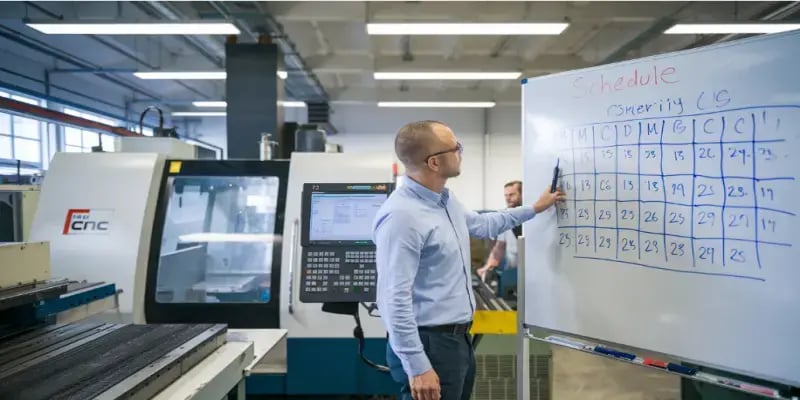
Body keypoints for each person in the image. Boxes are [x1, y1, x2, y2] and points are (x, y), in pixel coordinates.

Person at [372, 120, 564, 400]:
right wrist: (417, 365)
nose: (461, 152)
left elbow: (485, 224)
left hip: (455, 340)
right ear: (434, 162)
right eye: (456, 147)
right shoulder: (403, 217)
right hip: (429, 344)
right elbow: (393, 299)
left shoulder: (443, 201)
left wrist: (535, 208)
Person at [477, 180, 523, 281]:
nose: (508, 198)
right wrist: (488, 266)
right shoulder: (505, 218)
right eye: (505, 195)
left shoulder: (532, 218)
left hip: (532, 272)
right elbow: (499, 247)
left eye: (511, 194)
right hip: (513, 273)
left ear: (522, 194)